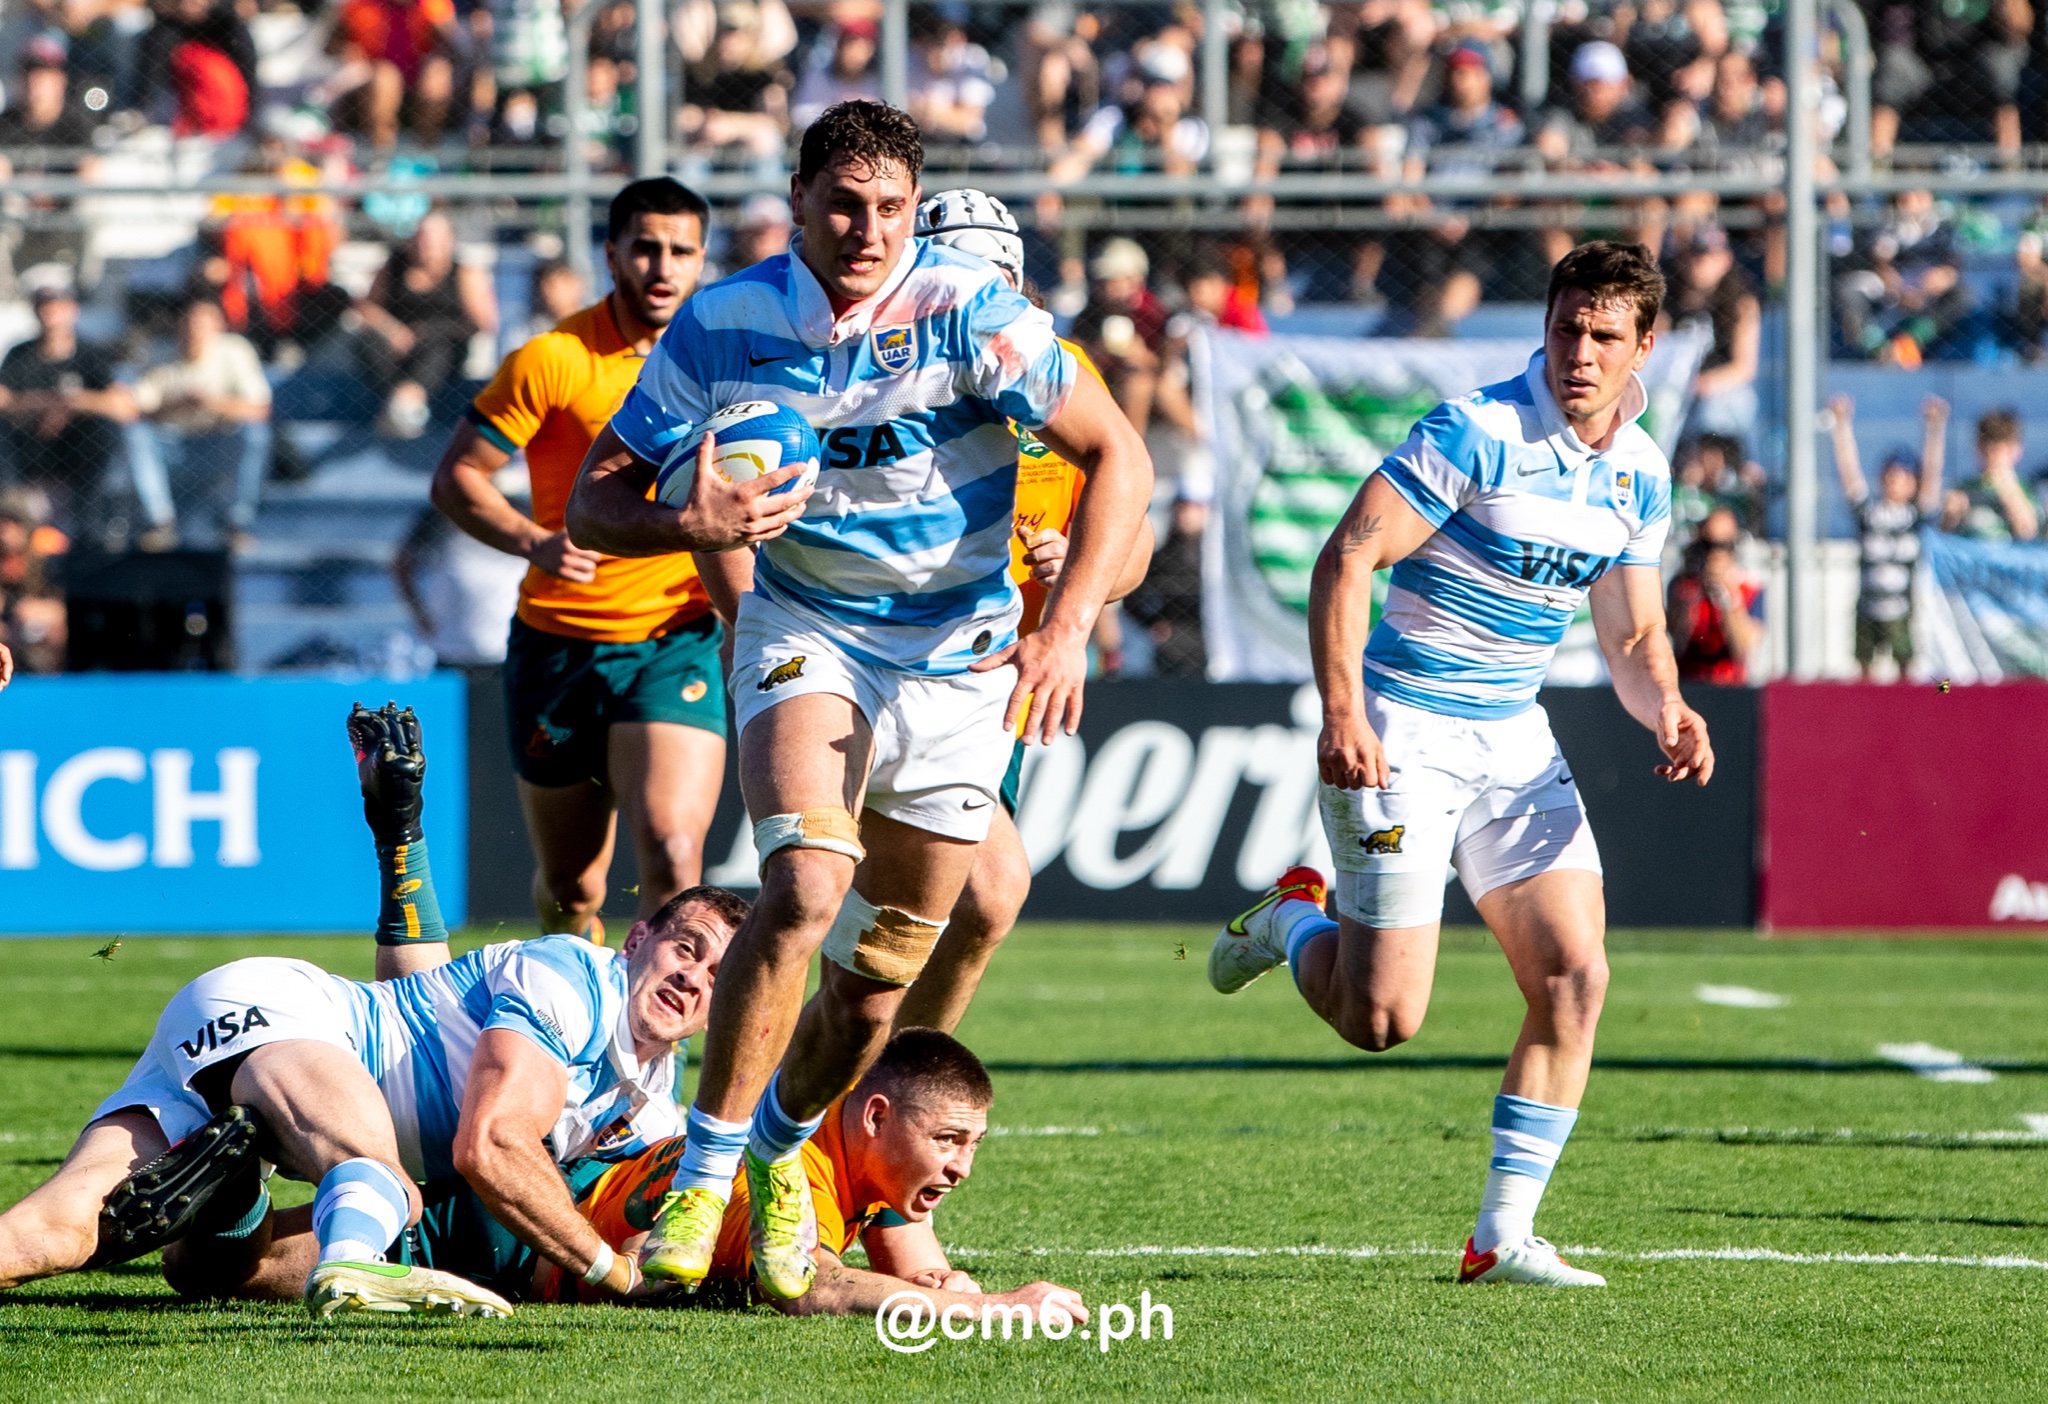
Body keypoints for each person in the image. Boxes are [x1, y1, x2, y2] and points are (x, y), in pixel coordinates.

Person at [564, 100, 1152, 1301]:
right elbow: (592, 501)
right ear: (795, 199)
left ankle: (784, 1152)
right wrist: (691, 521)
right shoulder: (725, 322)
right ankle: (703, 1174)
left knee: (879, 972)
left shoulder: (969, 312)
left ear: (914, 206)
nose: (867, 228)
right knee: (803, 886)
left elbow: (1123, 459)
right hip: (807, 631)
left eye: (889, 206)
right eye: (842, 204)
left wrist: (1068, 624)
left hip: (955, 659)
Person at [1208, 240, 1713, 1287]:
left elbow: (1627, 636)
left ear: (1642, 349)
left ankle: (1500, 1235)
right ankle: (1288, 920)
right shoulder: (1476, 431)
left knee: (1574, 979)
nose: (1577, 350)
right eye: (1565, 325)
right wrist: (1343, 709)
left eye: (1602, 335)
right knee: (1380, 1019)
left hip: (1510, 738)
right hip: (1403, 731)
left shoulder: (1639, 471)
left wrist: (1665, 707)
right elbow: (1347, 554)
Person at [0, 703, 743, 1319]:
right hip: (286, 1014)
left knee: (57, 1234)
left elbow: (413, 995)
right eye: (686, 947)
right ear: (637, 937)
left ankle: (230, 1191)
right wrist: (615, 1275)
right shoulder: (573, 975)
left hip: (254, 1053)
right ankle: (355, 1267)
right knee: (382, 1179)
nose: (694, 977)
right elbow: (490, 1146)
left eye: (719, 974)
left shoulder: (653, 1111)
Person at [430, 178, 723, 943]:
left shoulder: (729, 363)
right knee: (572, 888)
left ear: (702, 261)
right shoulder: (554, 360)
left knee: (671, 849)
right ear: (613, 254)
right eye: (646, 248)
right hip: (559, 642)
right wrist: (534, 542)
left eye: (681, 251)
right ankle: (582, 1017)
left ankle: (660, 1050)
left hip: (675, 636)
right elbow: (457, 476)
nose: (663, 266)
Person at [897, 187, 1155, 1033]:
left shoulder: (1057, 374)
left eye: (991, 278)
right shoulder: (879, 365)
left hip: (987, 680)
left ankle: (889, 1091)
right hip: (870, 656)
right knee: (913, 897)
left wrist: (1088, 566)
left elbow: (1136, 536)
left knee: (969, 904)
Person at [127, 297, 273, 552]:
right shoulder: (159, 353)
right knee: (135, 435)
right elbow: (137, 411)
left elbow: (260, 409)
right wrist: (181, 404)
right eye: (190, 323)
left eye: (203, 324)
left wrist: (212, 403)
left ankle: (236, 525)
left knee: (255, 435)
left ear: (218, 327)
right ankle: (160, 523)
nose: (196, 330)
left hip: (219, 444)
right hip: (172, 445)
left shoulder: (235, 351)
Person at [0, 282, 138, 535]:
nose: (49, 314)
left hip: (77, 453)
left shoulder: (91, 355)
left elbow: (122, 405)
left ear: (72, 310)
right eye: (43, 308)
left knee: (103, 431)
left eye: (56, 307)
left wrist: (71, 404)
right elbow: (3, 399)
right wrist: (48, 403)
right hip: (31, 448)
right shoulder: (20, 355)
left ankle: (90, 532)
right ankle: (8, 514)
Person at [1828, 392, 1945, 682]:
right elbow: (1849, 472)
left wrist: (1935, 428)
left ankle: (1915, 712)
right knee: (1864, 669)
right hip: (1868, 606)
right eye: (1890, 475)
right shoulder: (1870, 513)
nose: (1895, 482)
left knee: (1908, 669)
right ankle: (1867, 718)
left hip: (1902, 609)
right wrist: (1841, 426)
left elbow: (1932, 472)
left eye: (1904, 477)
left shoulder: (1915, 514)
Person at [356, 210, 499, 438]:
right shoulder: (394, 267)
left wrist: (430, 331)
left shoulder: (463, 273)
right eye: (422, 237)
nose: (427, 244)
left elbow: (484, 322)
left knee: (439, 348)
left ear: (449, 241)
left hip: (442, 348)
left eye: (434, 238)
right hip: (395, 351)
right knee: (369, 341)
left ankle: (407, 403)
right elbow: (366, 307)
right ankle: (402, 404)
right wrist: (392, 330)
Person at [1666, 506, 1760, 684]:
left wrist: (1726, 596)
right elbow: (1678, 640)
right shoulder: (1682, 586)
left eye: (1724, 546)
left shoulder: (1750, 588)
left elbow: (1742, 647)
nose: (1715, 554)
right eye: (1708, 546)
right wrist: (1693, 594)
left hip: (1731, 687)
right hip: (1689, 684)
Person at [1941, 407, 2039, 543]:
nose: (1991, 457)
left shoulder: (2027, 488)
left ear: (2015, 450)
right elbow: (1943, 534)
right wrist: (1952, 515)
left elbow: (2028, 531)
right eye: (1985, 449)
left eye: (1999, 450)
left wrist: (2007, 490)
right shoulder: (1964, 488)